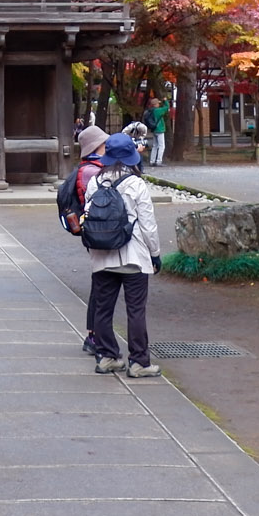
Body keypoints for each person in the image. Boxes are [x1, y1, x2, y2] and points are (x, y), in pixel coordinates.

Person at [81, 133, 162, 379]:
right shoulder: (136, 184)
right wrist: (155, 254)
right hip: (133, 256)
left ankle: (107, 357)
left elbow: (87, 213)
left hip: (102, 255)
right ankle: (138, 361)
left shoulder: (95, 182)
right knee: (135, 310)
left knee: (103, 309)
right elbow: (148, 225)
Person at [62, 126, 110, 354]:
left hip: (95, 232)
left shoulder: (88, 168)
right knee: (101, 287)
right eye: (104, 144)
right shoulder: (93, 172)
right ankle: (94, 337)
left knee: (100, 285)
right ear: (97, 146)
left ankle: (94, 335)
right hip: (99, 234)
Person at [144, 95, 169, 166]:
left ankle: (152, 161)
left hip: (154, 129)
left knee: (155, 146)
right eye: (158, 103)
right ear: (156, 104)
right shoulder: (158, 111)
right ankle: (158, 161)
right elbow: (166, 108)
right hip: (159, 129)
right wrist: (165, 101)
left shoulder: (150, 110)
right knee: (161, 146)